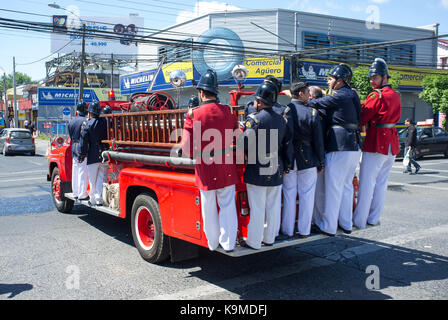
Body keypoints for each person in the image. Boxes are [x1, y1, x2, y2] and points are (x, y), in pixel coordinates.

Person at [181, 69, 240, 252]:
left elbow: (186, 148)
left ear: (201, 92)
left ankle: (213, 243)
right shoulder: (228, 111)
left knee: (208, 207)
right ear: (216, 91)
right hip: (226, 164)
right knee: (228, 205)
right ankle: (229, 243)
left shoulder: (193, 114)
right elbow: (237, 136)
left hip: (205, 166)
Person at [307, 64, 362, 236]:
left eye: (331, 79)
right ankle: (346, 223)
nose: (329, 82)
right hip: (353, 144)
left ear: (340, 81)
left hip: (339, 144)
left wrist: (305, 100)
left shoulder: (340, 95)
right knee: (346, 187)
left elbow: (319, 103)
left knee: (333, 187)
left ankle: (329, 226)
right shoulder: (352, 94)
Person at [241, 81, 291, 249]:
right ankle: (269, 238)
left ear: (259, 102)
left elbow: (244, 144)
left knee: (257, 207)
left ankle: (254, 241)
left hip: (257, 167)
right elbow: (286, 144)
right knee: (272, 206)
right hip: (275, 166)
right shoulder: (281, 119)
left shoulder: (254, 119)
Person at [353, 58, 402, 229]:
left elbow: (363, 118)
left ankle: (359, 221)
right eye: (371, 78)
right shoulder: (396, 95)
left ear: (384, 77)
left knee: (367, 183)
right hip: (391, 142)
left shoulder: (376, 95)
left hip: (377, 142)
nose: (371, 81)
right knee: (381, 183)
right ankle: (373, 218)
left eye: (374, 77)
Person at [280, 81, 325, 239]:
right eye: (307, 92)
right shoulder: (311, 112)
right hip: (308, 157)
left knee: (289, 195)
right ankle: (304, 230)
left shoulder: (285, 111)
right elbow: (318, 141)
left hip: (290, 157)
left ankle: (287, 230)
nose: (309, 95)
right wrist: (321, 161)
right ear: (300, 93)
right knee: (307, 195)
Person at [79, 101, 108, 206]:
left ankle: (92, 199)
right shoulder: (104, 122)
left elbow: (83, 141)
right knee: (101, 178)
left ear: (90, 112)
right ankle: (99, 198)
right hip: (104, 153)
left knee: (92, 179)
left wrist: (81, 155)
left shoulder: (87, 123)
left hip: (92, 154)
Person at [308, 86, 326, 226]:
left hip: (311, 156)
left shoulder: (313, 112)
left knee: (315, 191)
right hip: (322, 154)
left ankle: (316, 221)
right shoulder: (325, 111)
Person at [68, 102, 89, 200]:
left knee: (75, 170)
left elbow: (70, 135)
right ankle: (82, 193)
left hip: (74, 145)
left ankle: (75, 192)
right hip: (81, 145)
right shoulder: (85, 120)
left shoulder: (71, 121)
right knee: (82, 171)